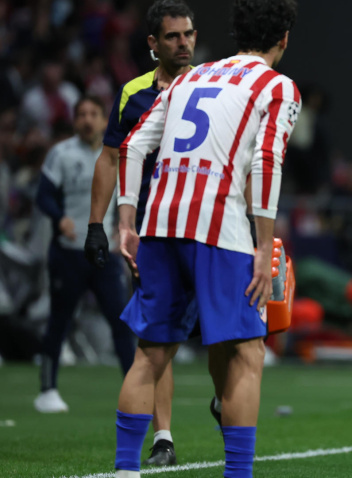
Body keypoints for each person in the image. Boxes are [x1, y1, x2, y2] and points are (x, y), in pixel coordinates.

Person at [110, 0, 300, 476]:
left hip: (159, 225)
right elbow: (266, 162)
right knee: (246, 353)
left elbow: (132, 146)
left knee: (150, 353)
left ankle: (124, 470)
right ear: (284, 39)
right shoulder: (276, 86)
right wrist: (263, 247)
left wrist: (127, 223)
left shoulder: (189, 78)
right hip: (219, 230)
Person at [84, 0, 199, 465]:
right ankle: (163, 439)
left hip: (210, 230)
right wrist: (97, 224)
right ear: (153, 43)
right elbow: (111, 157)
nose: (183, 43)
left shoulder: (210, 85)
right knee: (157, 338)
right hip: (154, 234)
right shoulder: (133, 93)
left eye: (188, 33)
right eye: (172, 36)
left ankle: (225, 399)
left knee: (231, 339)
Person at [33, 96, 135, 413]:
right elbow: (43, 196)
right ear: (75, 120)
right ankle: (47, 391)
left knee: (121, 323)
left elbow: (130, 196)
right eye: (81, 114)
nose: (87, 119)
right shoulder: (61, 154)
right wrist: (58, 218)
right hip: (69, 252)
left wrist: (123, 227)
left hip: (105, 255)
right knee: (59, 321)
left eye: (93, 114)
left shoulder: (117, 154)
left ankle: (133, 391)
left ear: (104, 120)